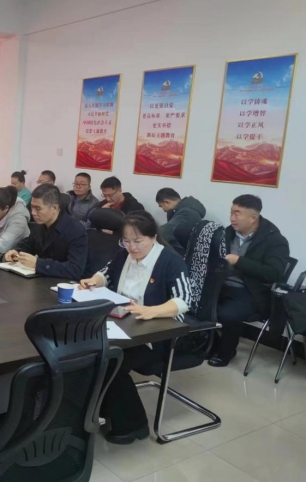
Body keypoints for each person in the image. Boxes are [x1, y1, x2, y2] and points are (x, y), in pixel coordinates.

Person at [79, 211, 192, 444]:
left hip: (156, 334)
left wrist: (152, 310)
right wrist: (94, 281)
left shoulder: (170, 260)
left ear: (153, 237)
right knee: (91, 352)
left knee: (111, 361)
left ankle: (134, 425)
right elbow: (106, 273)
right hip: (125, 324)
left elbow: (184, 300)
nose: (132, 247)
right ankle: (103, 411)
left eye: (138, 241)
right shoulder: (125, 254)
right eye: (126, 241)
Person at [208, 195, 290, 367]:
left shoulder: (275, 240)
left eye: (237, 214)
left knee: (228, 314)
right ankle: (210, 345)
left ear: (253, 218)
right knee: (197, 304)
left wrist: (239, 261)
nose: (232, 218)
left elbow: (275, 274)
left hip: (251, 290)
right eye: (231, 212)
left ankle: (226, 352)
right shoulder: (227, 233)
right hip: (221, 283)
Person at [4, 184, 88, 280]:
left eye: (38, 208)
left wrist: (38, 264)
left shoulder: (75, 230)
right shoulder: (40, 224)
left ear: (54, 208)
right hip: (40, 279)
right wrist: (16, 251)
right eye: (32, 207)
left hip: (62, 283)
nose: (33, 213)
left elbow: (75, 270)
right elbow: (28, 245)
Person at [156, 188, 206, 255]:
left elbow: (166, 231)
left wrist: (150, 233)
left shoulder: (187, 213)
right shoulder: (188, 209)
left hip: (184, 253)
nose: (163, 210)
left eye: (161, 206)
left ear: (166, 202)